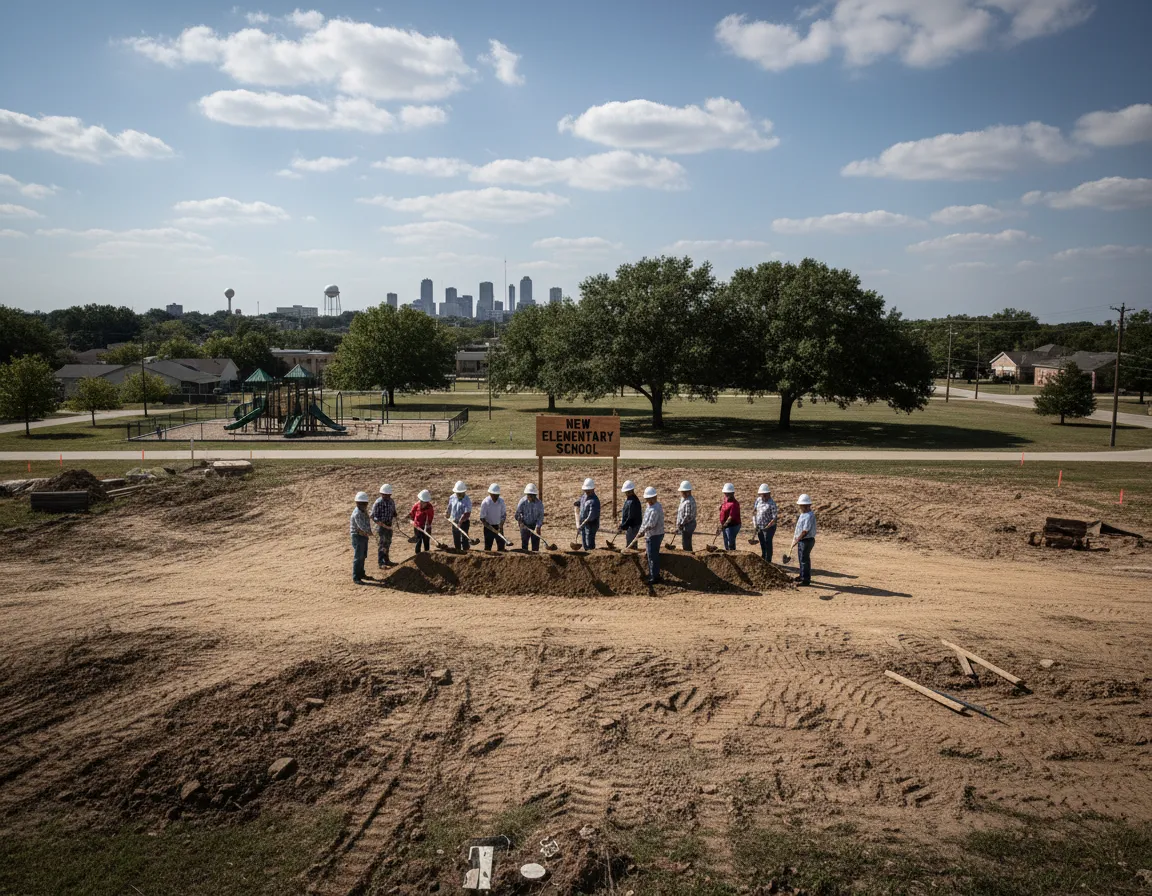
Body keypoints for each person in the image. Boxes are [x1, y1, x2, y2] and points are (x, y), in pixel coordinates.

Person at [638, 486, 665, 585]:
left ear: (655, 497)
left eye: (649, 499)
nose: (648, 501)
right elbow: (645, 521)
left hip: (655, 535)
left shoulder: (655, 509)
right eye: (647, 499)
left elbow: (651, 524)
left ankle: (654, 577)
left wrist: (643, 531)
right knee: (650, 555)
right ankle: (653, 574)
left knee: (652, 556)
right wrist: (640, 531)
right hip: (650, 534)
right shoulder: (649, 507)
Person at [370, 483, 397, 568]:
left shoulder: (391, 501)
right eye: (384, 494)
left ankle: (387, 560)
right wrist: (381, 524)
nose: (386, 496)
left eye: (387, 495)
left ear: (390, 494)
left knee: (388, 543)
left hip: (389, 525)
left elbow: (393, 511)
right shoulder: (378, 502)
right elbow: (372, 516)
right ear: (381, 494)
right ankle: (381, 563)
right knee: (382, 544)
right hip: (380, 527)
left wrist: (395, 514)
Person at [793, 494, 817, 586]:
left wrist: (797, 539)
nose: (800, 507)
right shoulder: (805, 514)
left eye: (801, 505)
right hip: (804, 540)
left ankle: (805, 580)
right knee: (802, 558)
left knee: (804, 559)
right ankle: (802, 575)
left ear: (807, 505)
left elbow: (805, 531)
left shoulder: (808, 516)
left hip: (806, 540)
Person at [350, 491, 373, 584]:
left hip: (363, 535)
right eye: (361, 503)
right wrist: (372, 533)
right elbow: (362, 527)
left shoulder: (364, 511)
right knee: (358, 557)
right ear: (357, 503)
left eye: (364, 503)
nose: (363, 505)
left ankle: (361, 574)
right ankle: (356, 577)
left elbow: (367, 522)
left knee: (363, 556)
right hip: (357, 536)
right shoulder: (357, 513)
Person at [752, 483, 779, 563]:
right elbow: (754, 511)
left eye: (765, 495)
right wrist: (755, 523)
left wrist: (768, 526)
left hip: (769, 527)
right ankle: (763, 556)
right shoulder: (758, 500)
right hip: (759, 526)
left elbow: (774, 518)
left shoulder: (772, 504)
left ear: (769, 494)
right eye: (762, 495)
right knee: (762, 542)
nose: (763, 497)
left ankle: (768, 560)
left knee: (768, 542)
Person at [515, 483, 545, 551]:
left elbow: (540, 516)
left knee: (535, 545)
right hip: (525, 525)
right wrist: (521, 521)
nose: (530, 497)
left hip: (535, 526)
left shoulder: (539, 504)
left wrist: (538, 526)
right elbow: (517, 514)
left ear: (535, 495)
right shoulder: (522, 502)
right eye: (529, 495)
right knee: (524, 544)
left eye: (532, 495)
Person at [573, 477, 600, 550]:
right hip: (583, 524)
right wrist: (576, 504)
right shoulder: (584, 496)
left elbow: (591, 516)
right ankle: (586, 550)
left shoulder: (594, 501)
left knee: (589, 540)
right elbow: (580, 502)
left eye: (588, 490)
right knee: (584, 539)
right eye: (585, 490)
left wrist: (581, 525)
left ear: (593, 489)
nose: (586, 491)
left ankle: (591, 553)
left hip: (591, 524)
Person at [479, 483, 507, 552]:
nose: (495, 497)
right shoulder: (485, 503)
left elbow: (503, 515)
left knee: (501, 548)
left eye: (497, 495)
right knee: (488, 548)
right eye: (494, 495)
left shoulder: (501, 502)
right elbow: (482, 518)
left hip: (499, 526)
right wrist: (491, 528)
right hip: (488, 528)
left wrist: (500, 526)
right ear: (490, 494)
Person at [448, 480, 472, 552]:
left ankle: (466, 552)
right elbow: (450, 507)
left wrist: (460, 522)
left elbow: (467, 513)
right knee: (456, 538)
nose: (458, 495)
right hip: (454, 521)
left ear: (464, 492)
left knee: (464, 539)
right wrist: (448, 514)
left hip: (464, 522)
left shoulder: (467, 500)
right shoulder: (452, 497)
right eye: (457, 493)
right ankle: (458, 552)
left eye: (460, 493)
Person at [409, 489, 435, 554]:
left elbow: (429, 519)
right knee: (418, 542)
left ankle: (427, 555)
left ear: (426, 502)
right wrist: (412, 521)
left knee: (426, 542)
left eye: (423, 502)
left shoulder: (429, 508)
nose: (421, 503)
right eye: (420, 501)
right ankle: (418, 555)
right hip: (417, 527)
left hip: (426, 527)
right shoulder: (417, 505)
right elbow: (412, 514)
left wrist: (426, 527)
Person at [618, 480, 642, 548]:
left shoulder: (633, 502)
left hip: (633, 526)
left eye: (627, 492)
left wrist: (623, 526)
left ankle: (632, 556)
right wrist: (623, 524)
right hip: (630, 526)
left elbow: (631, 517)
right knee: (630, 541)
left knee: (631, 544)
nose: (626, 493)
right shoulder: (630, 500)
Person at [719, 483, 742, 551]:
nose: (726, 495)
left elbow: (731, 517)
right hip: (725, 525)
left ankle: (732, 554)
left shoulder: (735, 504)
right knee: (726, 541)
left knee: (730, 542)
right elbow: (724, 507)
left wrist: (724, 525)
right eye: (725, 493)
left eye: (728, 493)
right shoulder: (725, 499)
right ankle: (727, 552)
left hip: (732, 525)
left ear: (732, 493)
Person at [675, 480, 697, 551]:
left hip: (687, 526)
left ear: (686, 492)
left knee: (686, 544)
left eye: (682, 492)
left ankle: (689, 557)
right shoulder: (685, 499)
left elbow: (687, 516)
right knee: (686, 542)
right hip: (687, 525)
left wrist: (681, 524)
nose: (681, 493)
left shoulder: (688, 501)